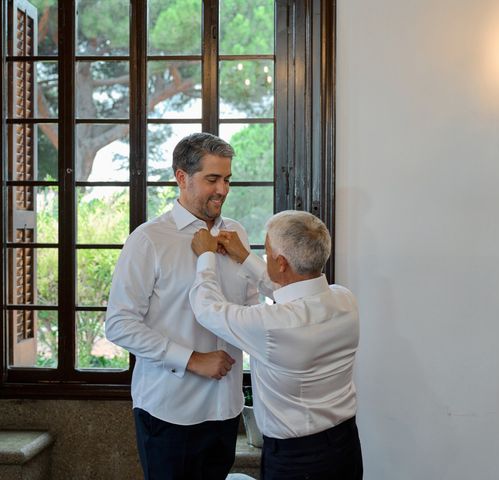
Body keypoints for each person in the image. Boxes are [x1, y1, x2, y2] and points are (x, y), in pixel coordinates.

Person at [106, 132, 257, 480]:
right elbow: (119, 324)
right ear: (181, 177)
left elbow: (249, 312)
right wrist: (192, 360)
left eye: (227, 179)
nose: (223, 189)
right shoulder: (148, 240)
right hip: (169, 411)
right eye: (212, 179)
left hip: (226, 409)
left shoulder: (237, 235)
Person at [189, 210, 364, 480]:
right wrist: (246, 258)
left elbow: (207, 309)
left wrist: (205, 256)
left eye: (268, 253)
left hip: (298, 461)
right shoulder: (345, 300)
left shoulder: (272, 325)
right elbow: (292, 290)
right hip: (345, 446)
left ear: (281, 263)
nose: (265, 256)